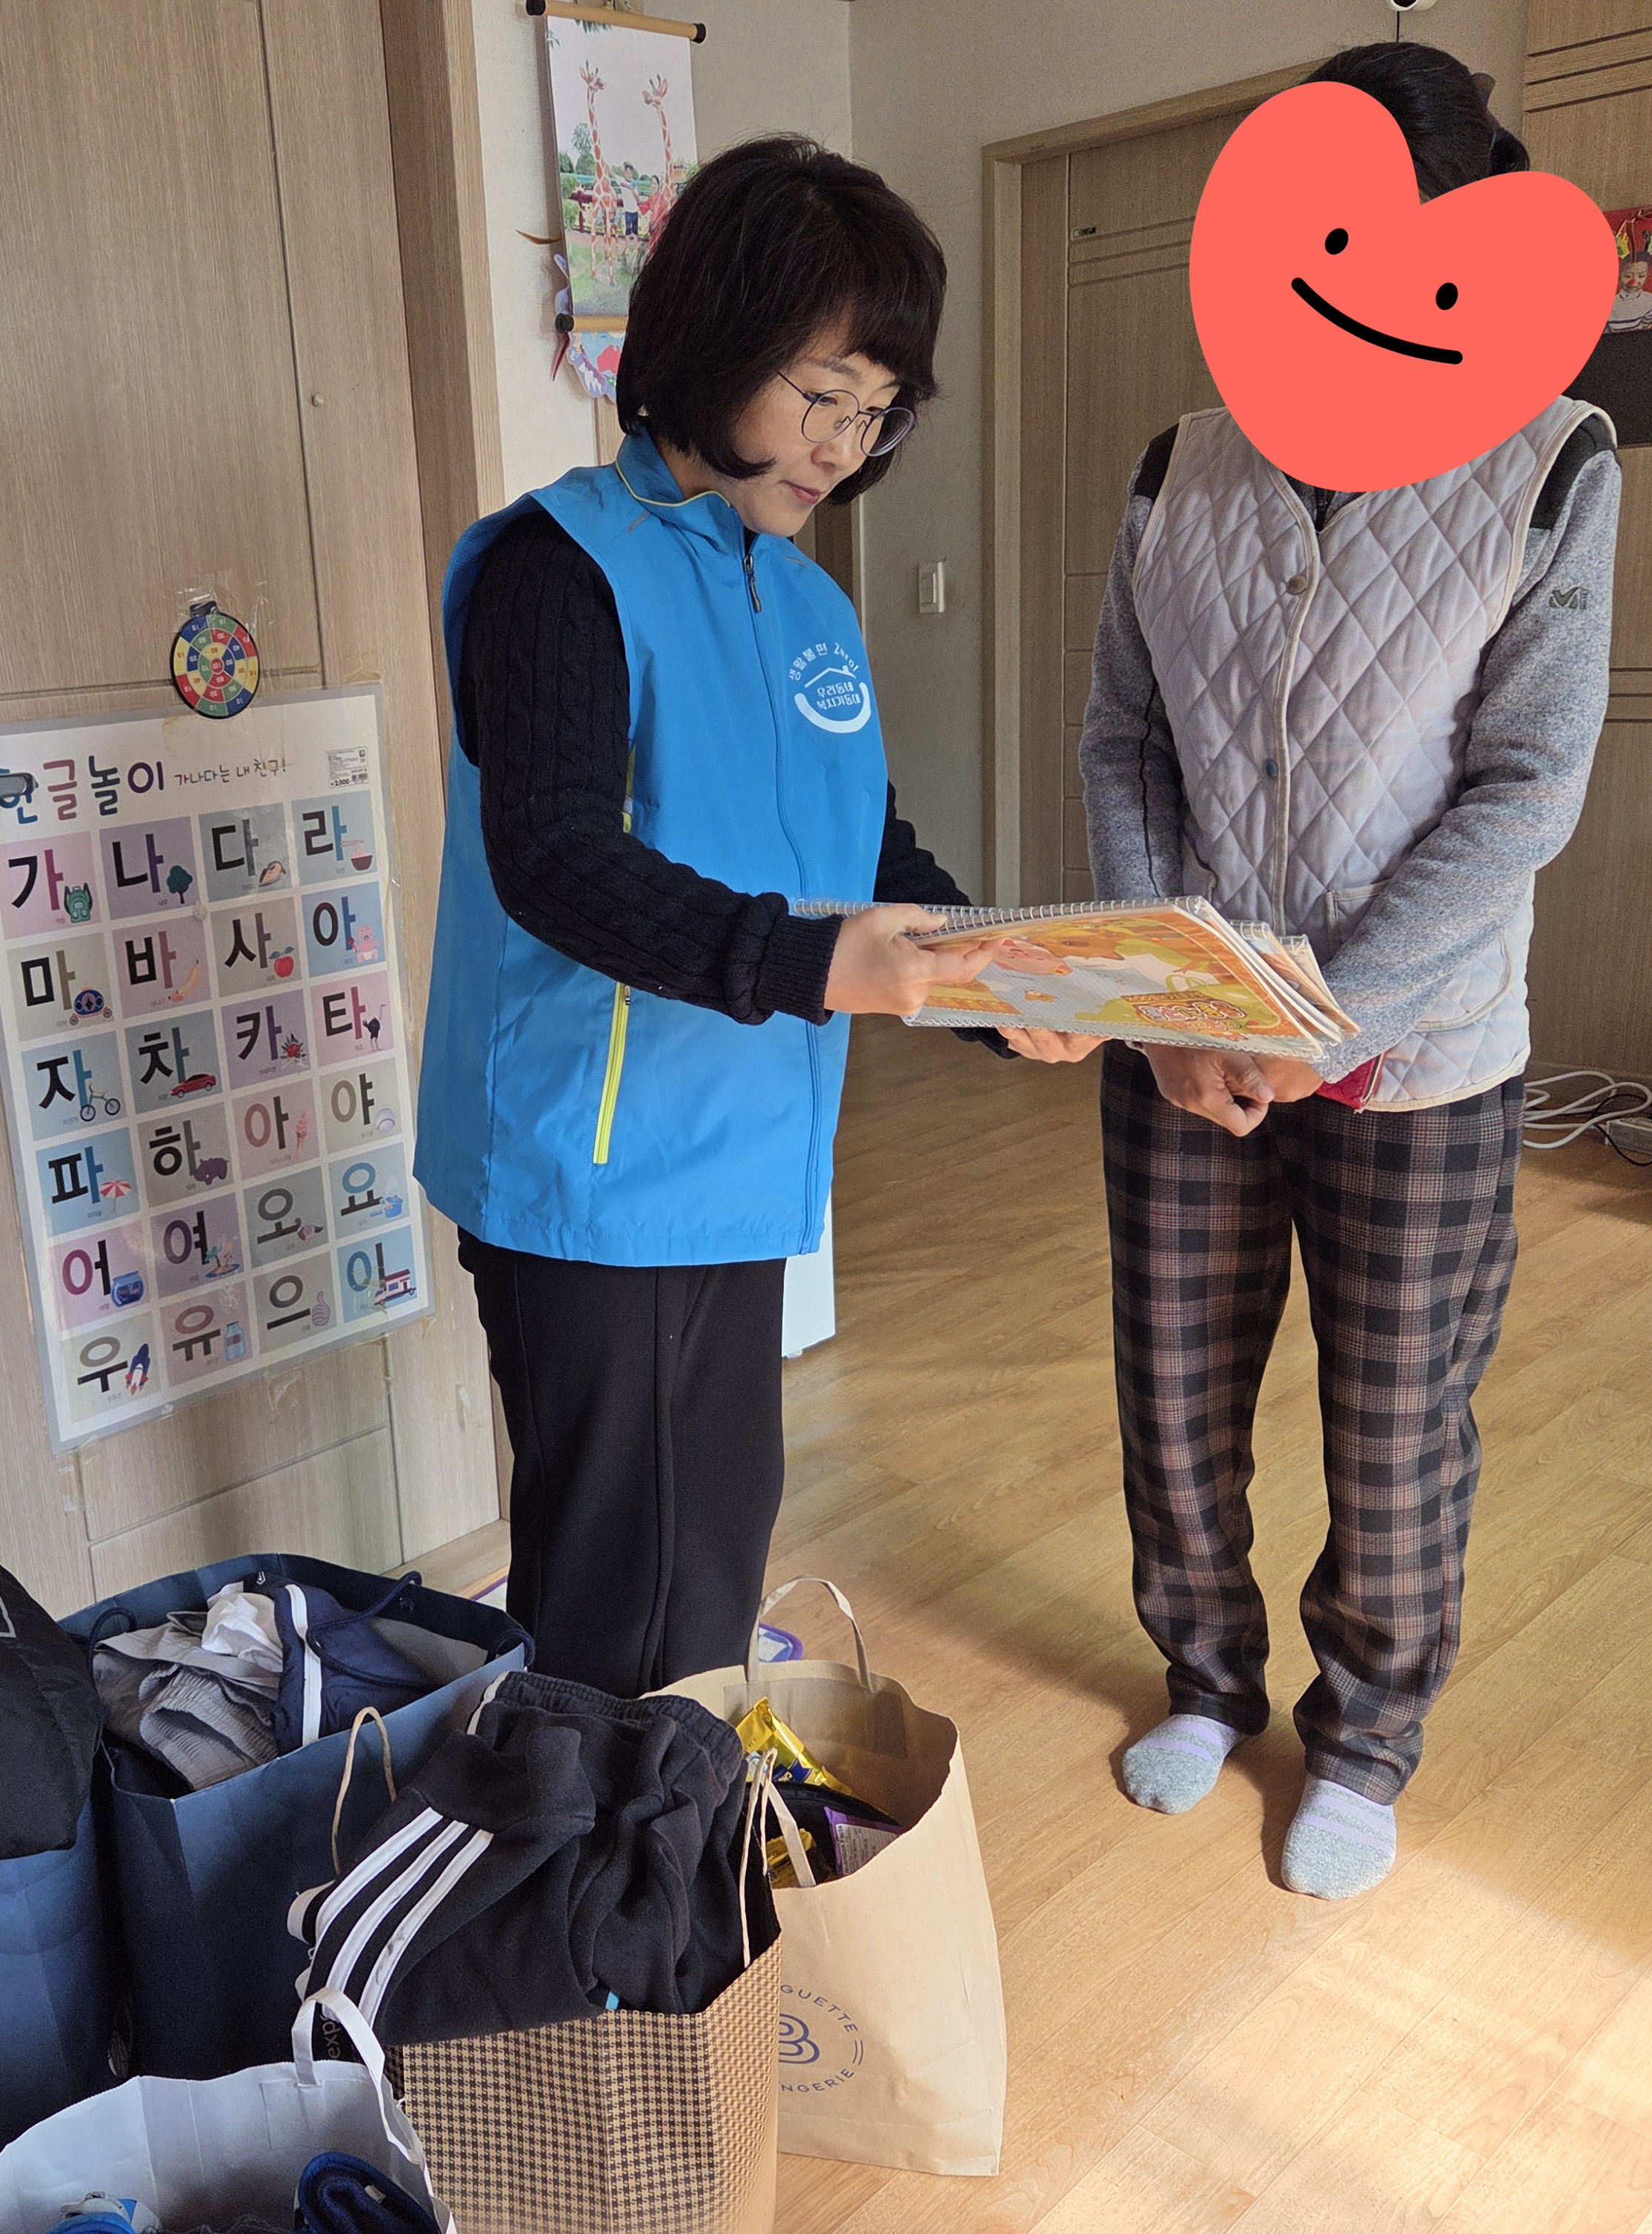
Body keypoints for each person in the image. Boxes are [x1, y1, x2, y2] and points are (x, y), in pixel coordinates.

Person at [416, 136, 1095, 1699]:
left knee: (696, 1557)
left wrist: (988, 984)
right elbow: (553, 860)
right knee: (630, 1593)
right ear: (712, 340)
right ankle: (611, 1838)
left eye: (878, 412)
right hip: (597, 1169)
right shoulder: (557, 569)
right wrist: (810, 961)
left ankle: (646, 1812)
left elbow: (863, 846)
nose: (843, 448)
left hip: (735, 1152)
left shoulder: (803, 596)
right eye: (820, 396)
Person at [1077, 43, 1621, 1898]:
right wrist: (1165, 1005)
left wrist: (1335, 1020)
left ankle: (1366, 1734)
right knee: (1173, 1398)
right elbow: (1122, 742)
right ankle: (1203, 1680)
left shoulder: (1551, 462)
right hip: (1185, 1045)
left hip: (1423, 1053)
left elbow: (1526, 781)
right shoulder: (1176, 465)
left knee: (1391, 1428)